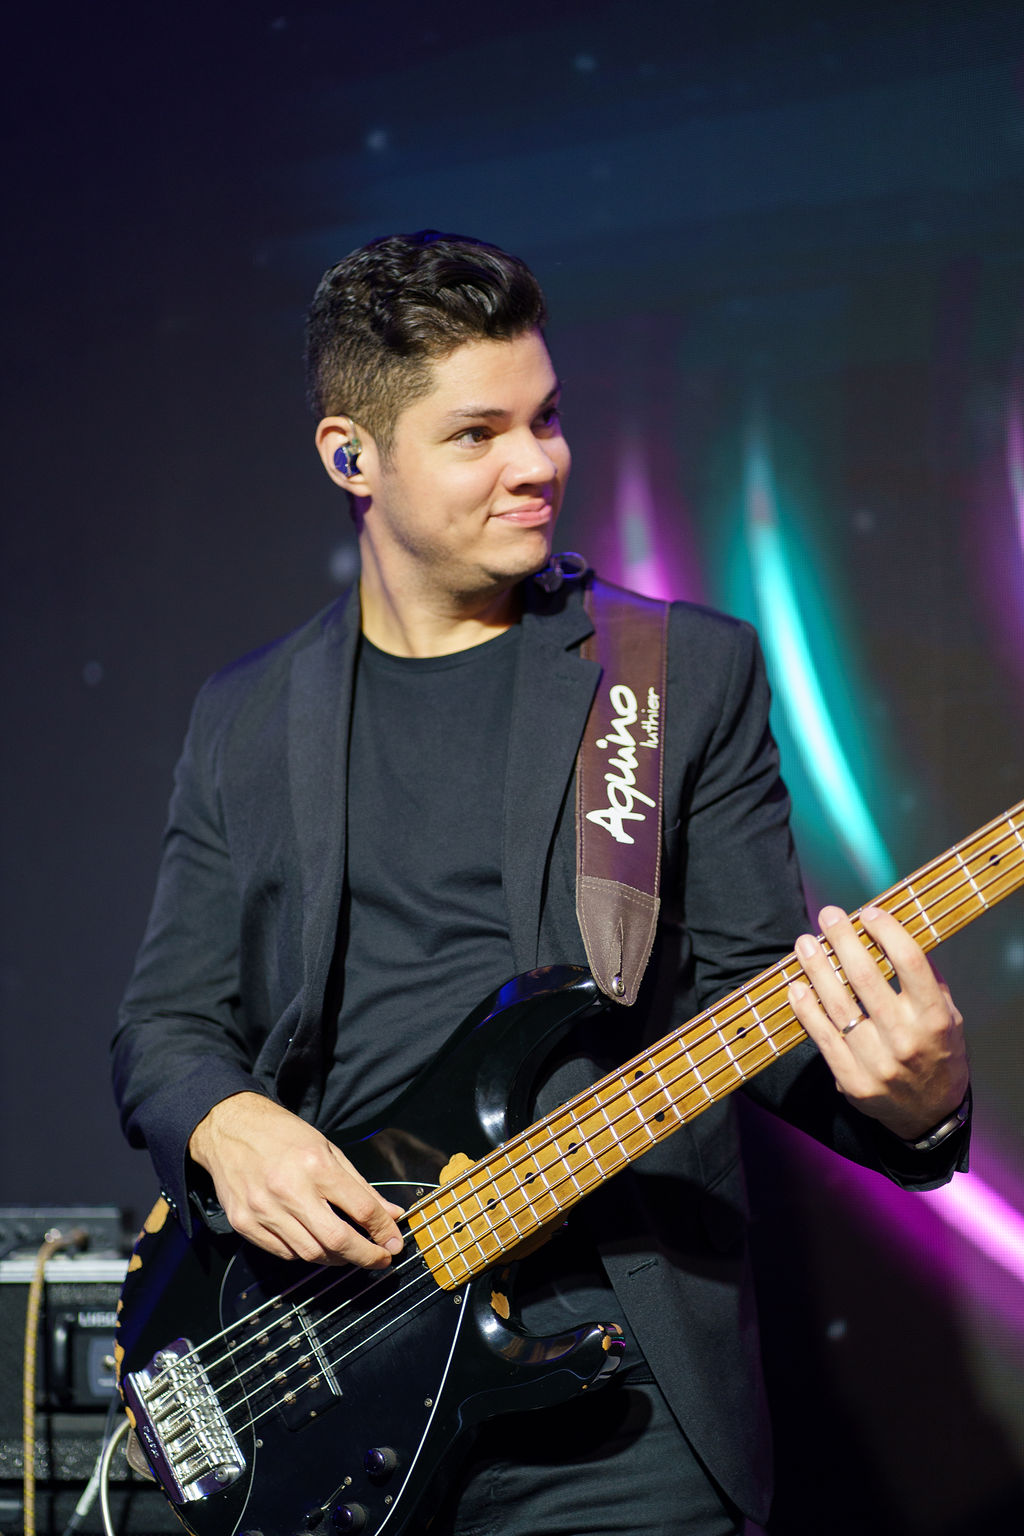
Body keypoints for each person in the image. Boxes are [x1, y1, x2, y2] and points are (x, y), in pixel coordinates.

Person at [112, 231, 970, 1536]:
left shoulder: (675, 676)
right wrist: (225, 1126)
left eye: (548, 418)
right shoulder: (245, 719)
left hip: (615, 1398)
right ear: (351, 457)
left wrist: (919, 1111)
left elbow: (753, 1002)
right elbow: (166, 1026)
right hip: (332, 1368)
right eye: (478, 435)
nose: (538, 464)